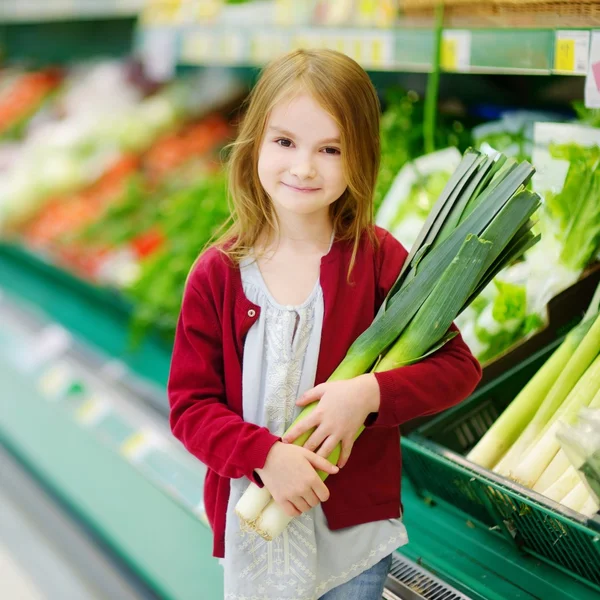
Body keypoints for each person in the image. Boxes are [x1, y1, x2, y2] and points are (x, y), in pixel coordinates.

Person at [168, 48, 481, 600]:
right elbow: (190, 409)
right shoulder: (218, 273)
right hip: (253, 538)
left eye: (330, 149)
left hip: (353, 543)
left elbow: (459, 368)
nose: (304, 166)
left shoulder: (378, 258)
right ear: (254, 144)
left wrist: (368, 393)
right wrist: (263, 455)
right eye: (284, 142)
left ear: (360, 157)